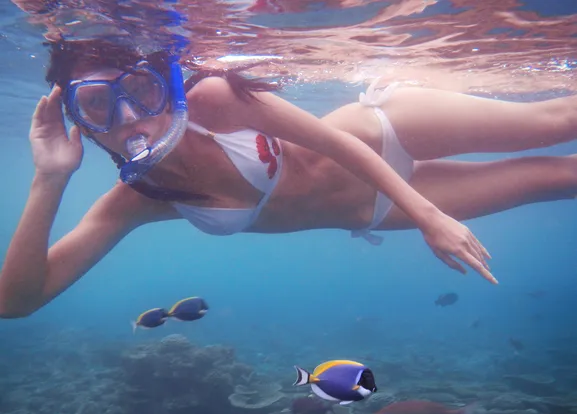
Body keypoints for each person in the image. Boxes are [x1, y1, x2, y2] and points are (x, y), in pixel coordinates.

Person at [0, 38, 576, 318]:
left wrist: (430, 218)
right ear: (81, 124)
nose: (130, 117)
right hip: (375, 211)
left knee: (555, 121)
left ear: (161, 84)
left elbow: (335, 142)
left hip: (379, 136)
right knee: (557, 179)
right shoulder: (138, 199)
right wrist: (48, 179)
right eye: (99, 106)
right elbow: (18, 302)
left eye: (142, 91)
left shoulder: (213, 100)